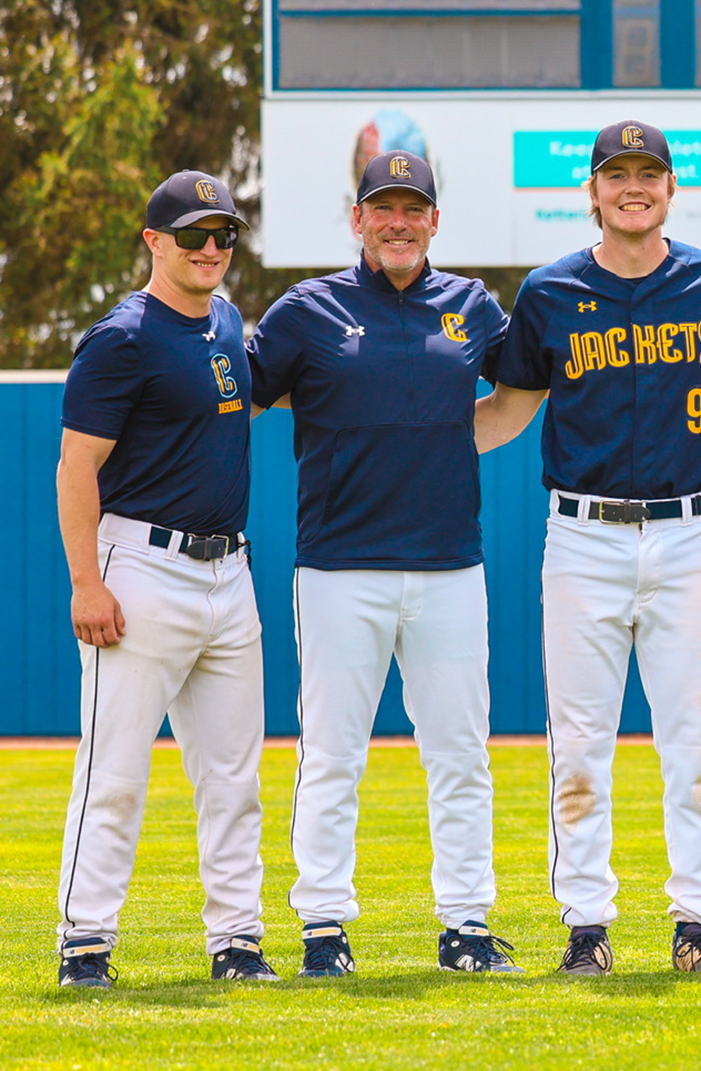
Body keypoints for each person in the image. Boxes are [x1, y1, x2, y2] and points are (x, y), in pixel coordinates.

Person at [476, 120, 701, 976]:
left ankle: (696, 924)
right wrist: (397, 434)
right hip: (583, 536)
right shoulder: (550, 293)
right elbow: (509, 411)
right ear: (591, 191)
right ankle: (587, 926)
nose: (634, 187)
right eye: (617, 174)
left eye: (649, 173)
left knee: (697, 741)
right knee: (581, 740)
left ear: (672, 187)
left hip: (687, 532)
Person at [247, 152, 519, 976]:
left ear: (435, 220)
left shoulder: (473, 306)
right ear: (358, 219)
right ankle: (324, 929)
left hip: (448, 565)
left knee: (461, 753)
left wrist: (451, 437)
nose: (398, 221)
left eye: (414, 208)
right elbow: (246, 394)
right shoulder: (307, 310)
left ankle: (466, 926)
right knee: (331, 753)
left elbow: (520, 391)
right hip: (339, 568)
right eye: (382, 207)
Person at [54, 171, 276, 987]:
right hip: (141, 566)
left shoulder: (224, 319)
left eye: (224, 235)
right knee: (113, 770)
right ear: (155, 242)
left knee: (233, 778)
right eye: (194, 235)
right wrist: (87, 582)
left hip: (228, 570)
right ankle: (85, 943)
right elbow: (77, 465)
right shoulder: (122, 336)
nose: (212, 249)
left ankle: (239, 942)